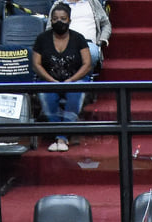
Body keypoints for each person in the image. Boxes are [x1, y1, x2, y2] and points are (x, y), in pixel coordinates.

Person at [31, 2, 93, 153]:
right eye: (55, 18)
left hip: (75, 79)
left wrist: (72, 80)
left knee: (74, 96)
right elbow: (36, 64)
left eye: (63, 18)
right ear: (51, 21)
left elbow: (87, 64)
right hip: (48, 79)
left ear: (69, 20)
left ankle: (61, 138)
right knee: (48, 98)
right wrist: (50, 80)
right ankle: (62, 137)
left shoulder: (78, 38)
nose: (59, 22)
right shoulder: (42, 39)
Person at [67, 0, 110, 72]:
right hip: (65, 44)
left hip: (88, 44)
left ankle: (82, 80)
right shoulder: (59, 4)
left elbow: (106, 24)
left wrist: (103, 38)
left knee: (91, 54)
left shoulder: (94, 2)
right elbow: (50, 27)